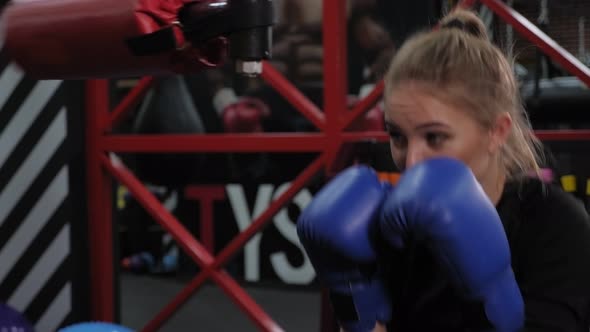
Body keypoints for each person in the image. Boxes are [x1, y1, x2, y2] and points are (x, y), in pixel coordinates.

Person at [297, 8, 590, 332]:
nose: (411, 162)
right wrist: (352, 299)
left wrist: (495, 299)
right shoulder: (390, 230)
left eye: (434, 137)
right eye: (397, 136)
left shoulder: (556, 228)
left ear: (497, 131)